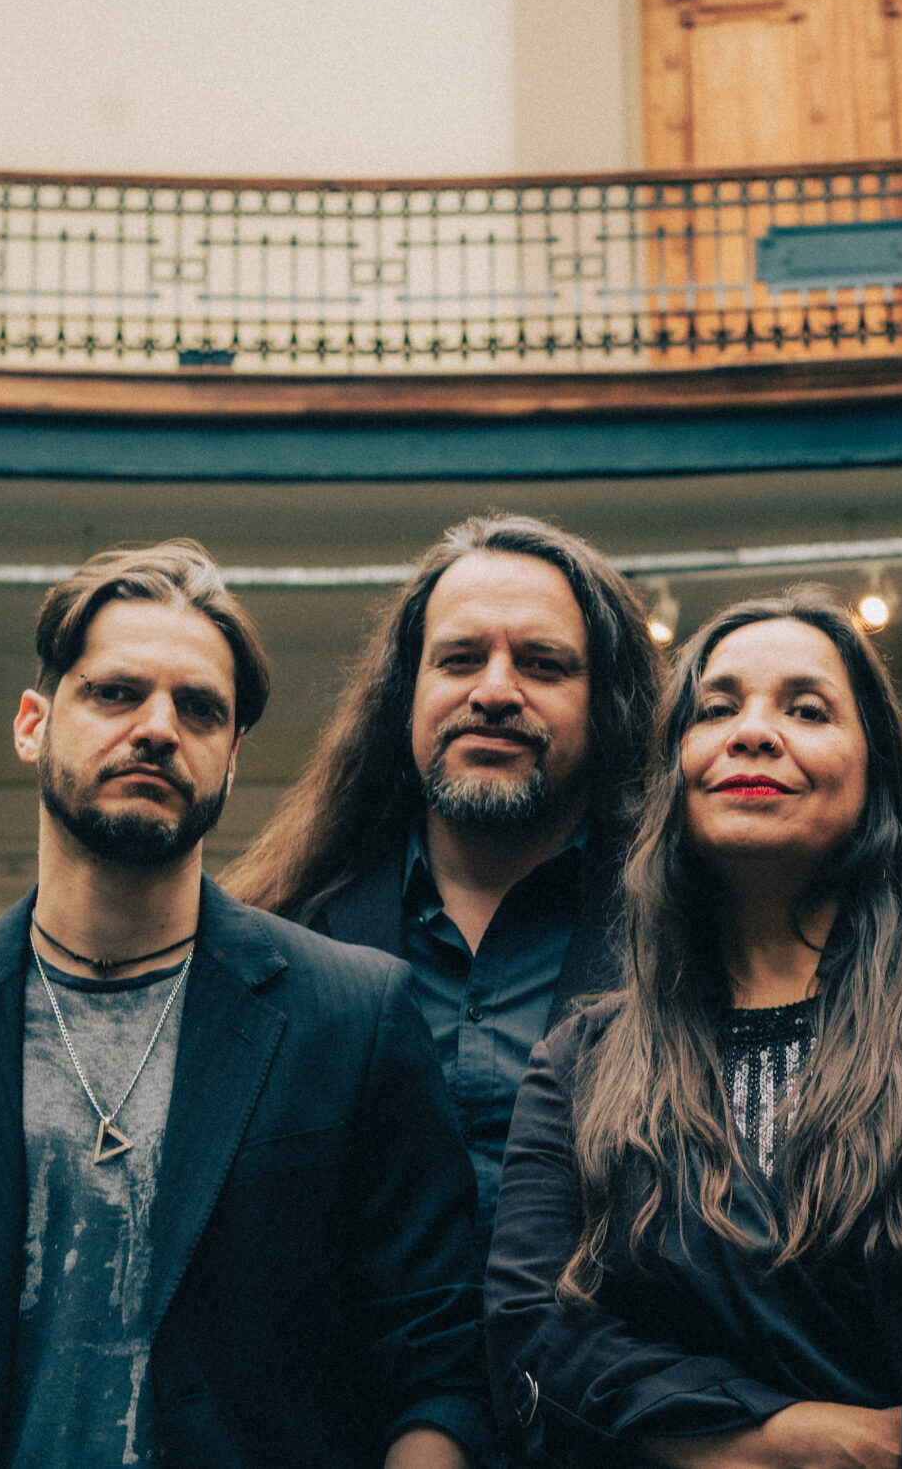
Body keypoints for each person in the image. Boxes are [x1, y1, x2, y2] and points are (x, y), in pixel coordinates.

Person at [0, 542, 491, 1469]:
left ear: (231, 758)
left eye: (200, 708)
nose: (159, 728)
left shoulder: (353, 1019)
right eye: (116, 693)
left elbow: (434, 1364)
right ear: (32, 724)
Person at [488, 587, 902, 1469]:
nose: (754, 732)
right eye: (716, 709)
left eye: (806, 709)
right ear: (674, 772)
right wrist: (786, 1440)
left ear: (875, 770)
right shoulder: (579, 1060)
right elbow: (533, 1330)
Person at [226, 515, 658, 1237]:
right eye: (459, 660)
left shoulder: (685, 940)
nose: (495, 691)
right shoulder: (286, 939)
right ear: (406, 695)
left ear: (606, 706)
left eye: (543, 665)